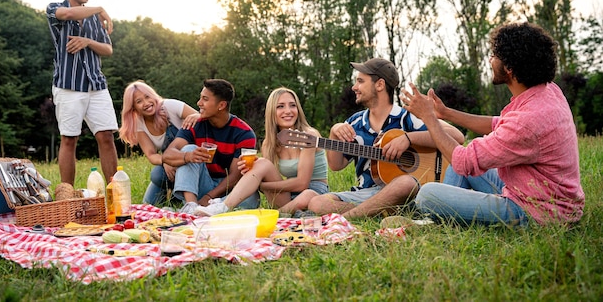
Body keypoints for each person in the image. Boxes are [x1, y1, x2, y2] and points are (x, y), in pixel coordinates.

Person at [401, 22, 585, 226]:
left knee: (428, 195)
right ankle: (442, 219)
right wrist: (446, 113)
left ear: (509, 69)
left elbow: (463, 160)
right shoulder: (548, 91)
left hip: (537, 212)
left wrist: (429, 118)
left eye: (494, 56)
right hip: (536, 193)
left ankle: (436, 219)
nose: (490, 60)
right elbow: (500, 124)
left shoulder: (528, 121)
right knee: (459, 158)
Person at [307, 58, 465, 219]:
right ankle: (380, 212)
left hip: (409, 192)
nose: (354, 87)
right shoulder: (355, 122)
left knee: (405, 182)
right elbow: (336, 165)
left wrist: (408, 138)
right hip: (366, 193)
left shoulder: (407, 116)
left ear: (380, 85)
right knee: (317, 203)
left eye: (360, 81)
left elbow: (457, 137)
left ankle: (349, 217)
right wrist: (334, 132)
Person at [195, 87, 329, 216]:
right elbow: (267, 177)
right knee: (261, 163)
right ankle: (224, 206)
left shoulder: (309, 135)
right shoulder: (269, 144)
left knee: (307, 195)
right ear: (272, 111)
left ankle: (280, 213)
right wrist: (250, 173)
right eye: (280, 106)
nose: (288, 111)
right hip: (288, 195)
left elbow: (302, 183)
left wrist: (259, 182)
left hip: (314, 193)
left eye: (292, 105)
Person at [46, 0, 118, 185]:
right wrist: (99, 8)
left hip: (96, 85)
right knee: (69, 139)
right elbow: (68, 14)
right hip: (68, 85)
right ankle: (67, 195)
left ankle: (115, 194)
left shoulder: (94, 18)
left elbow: (108, 49)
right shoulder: (54, 8)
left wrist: (88, 41)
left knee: (106, 136)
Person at [162, 79, 259, 214]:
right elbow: (167, 155)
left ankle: (210, 209)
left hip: (226, 192)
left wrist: (209, 197)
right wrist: (188, 156)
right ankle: (191, 207)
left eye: (205, 99)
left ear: (221, 105)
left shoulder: (244, 133)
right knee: (188, 149)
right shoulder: (194, 123)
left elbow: (234, 177)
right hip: (200, 185)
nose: (198, 103)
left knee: (252, 198)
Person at [119, 80, 200, 206]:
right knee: (150, 198)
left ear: (153, 95)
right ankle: (174, 195)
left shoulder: (170, 106)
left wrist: (197, 116)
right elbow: (151, 155)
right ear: (133, 108)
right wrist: (166, 160)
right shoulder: (139, 123)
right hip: (171, 166)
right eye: (139, 101)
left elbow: (201, 117)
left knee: (159, 173)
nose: (146, 103)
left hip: (192, 161)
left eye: (147, 97)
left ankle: (185, 197)